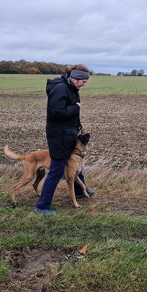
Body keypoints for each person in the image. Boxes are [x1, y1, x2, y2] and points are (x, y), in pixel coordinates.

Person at [34, 64, 95, 215]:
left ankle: (81, 191)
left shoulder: (71, 88)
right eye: (83, 81)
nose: (84, 84)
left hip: (68, 134)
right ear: (75, 78)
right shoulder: (60, 88)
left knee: (76, 166)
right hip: (59, 137)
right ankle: (42, 206)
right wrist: (76, 108)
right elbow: (56, 112)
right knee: (56, 170)